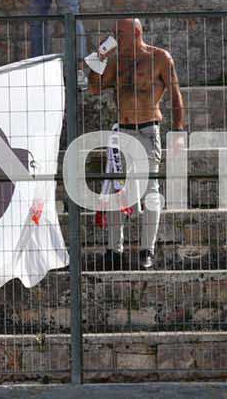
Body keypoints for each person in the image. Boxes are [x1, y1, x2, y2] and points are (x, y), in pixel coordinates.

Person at [90, 18, 185, 270]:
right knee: (114, 190)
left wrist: (178, 132)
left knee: (150, 191)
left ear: (136, 32)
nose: (116, 38)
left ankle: (147, 250)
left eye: (119, 33)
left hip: (147, 128)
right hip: (122, 130)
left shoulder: (159, 57)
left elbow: (175, 94)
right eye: (114, 33)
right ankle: (113, 250)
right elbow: (94, 87)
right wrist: (98, 57)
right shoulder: (116, 61)